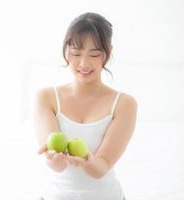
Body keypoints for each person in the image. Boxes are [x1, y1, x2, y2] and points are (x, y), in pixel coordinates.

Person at [33, 12, 137, 200]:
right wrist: (53, 158)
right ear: (66, 50)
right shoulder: (46, 98)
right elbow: (57, 165)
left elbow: (102, 167)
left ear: (108, 51)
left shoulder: (124, 104)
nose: (83, 63)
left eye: (94, 54)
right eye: (76, 53)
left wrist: (88, 161)